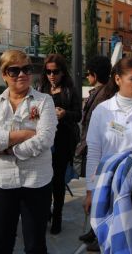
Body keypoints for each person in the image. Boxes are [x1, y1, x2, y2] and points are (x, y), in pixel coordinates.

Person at [0, 50, 57, 253]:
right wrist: (23, 134)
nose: (21, 74)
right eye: (14, 70)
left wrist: (7, 146)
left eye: (26, 69)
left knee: (35, 245)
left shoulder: (44, 101)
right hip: (3, 182)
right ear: (4, 74)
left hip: (36, 182)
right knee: (2, 244)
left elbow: (45, 138)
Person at [84, 58, 132, 251]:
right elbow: (94, 152)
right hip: (108, 188)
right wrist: (90, 190)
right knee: (111, 239)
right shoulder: (103, 111)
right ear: (118, 79)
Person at [38, 54, 81, 235]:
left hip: (63, 141)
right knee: (44, 180)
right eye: (48, 71)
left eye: (55, 71)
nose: (51, 75)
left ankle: (57, 217)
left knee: (58, 182)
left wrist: (65, 114)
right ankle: (45, 212)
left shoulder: (70, 90)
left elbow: (78, 115)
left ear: (63, 72)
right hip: (45, 142)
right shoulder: (42, 88)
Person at [76, 55, 112, 247]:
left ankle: (98, 233)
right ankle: (94, 230)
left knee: (98, 192)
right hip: (92, 146)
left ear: (95, 74)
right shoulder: (100, 92)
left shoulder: (104, 94)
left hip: (97, 148)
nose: (87, 77)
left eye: (88, 74)